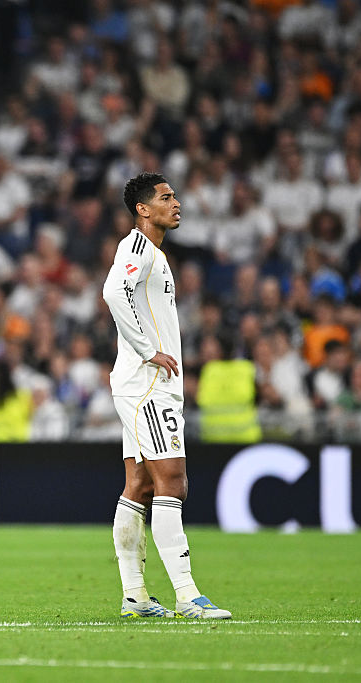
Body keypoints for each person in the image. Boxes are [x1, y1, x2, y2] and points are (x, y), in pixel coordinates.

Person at [101, 172, 231, 619]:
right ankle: (187, 595)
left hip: (141, 385)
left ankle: (135, 596)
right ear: (143, 209)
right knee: (172, 481)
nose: (176, 202)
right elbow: (112, 291)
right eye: (165, 197)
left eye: (175, 195)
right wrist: (147, 350)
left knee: (138, 486)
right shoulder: (139, 247)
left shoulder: (150, 253)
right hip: (149, 385)